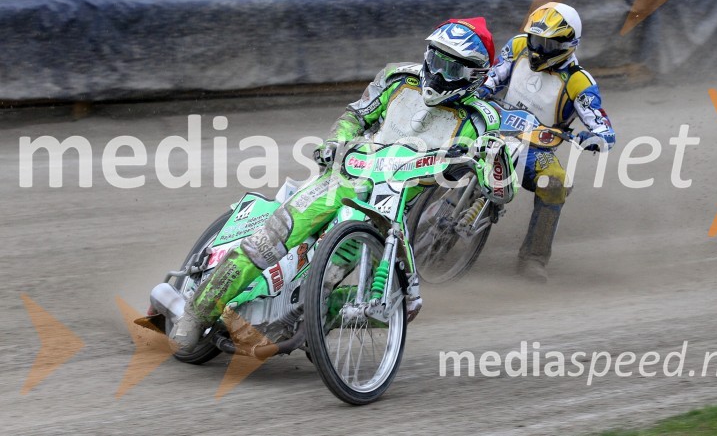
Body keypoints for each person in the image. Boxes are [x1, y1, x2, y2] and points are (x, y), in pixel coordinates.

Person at [172, 18, 506, 351]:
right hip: (343, 180)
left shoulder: (481, 119)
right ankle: (196, 312)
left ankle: (306, 322)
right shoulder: (398, 78)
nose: (438, 74)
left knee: (400, 303)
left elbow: (499, 187)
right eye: (435, 61)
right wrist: (336, 141)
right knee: (268, 243)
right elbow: (357, 115)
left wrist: (491, 163)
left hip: (392, 206)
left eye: (452, 70)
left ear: (474, 76)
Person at [479, 2, 616, 283]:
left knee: (555, 183)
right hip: (491, 126)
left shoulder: (580, 82)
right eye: (535, 40)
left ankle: (534, 259)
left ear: (569, 44)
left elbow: (605, 131)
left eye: (548, 44)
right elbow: (494, 76)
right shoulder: (518, 46)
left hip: (535, 149)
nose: (538, 49)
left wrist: (595, 138)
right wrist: (482, 89)